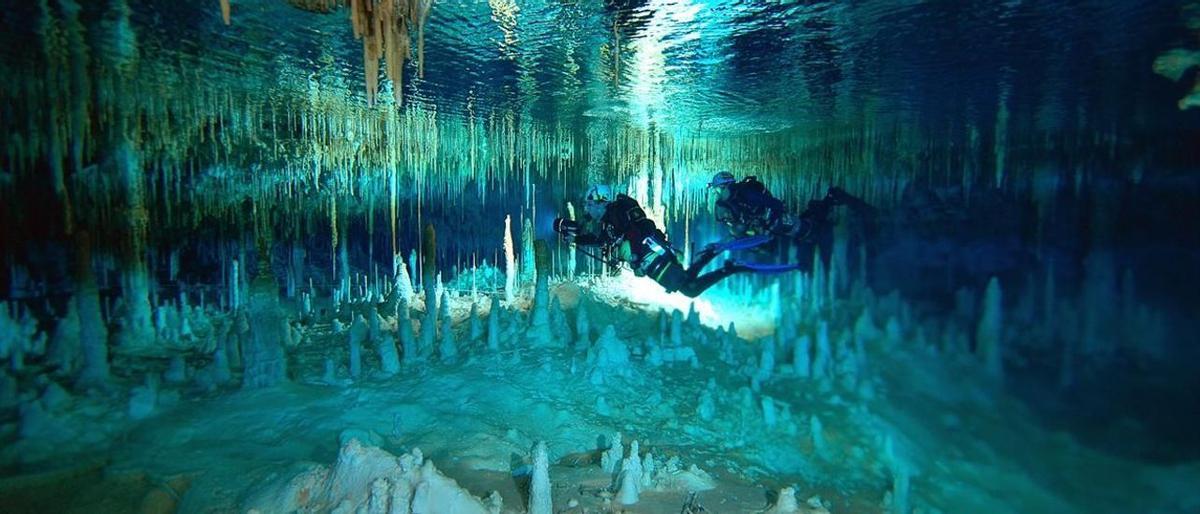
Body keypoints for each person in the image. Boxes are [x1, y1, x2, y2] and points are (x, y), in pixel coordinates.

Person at [554, 185, 749, 298]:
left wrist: (637, 259)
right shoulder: (609, 221)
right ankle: (713, 255)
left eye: (589, 205)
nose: (587, 210)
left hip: (652, 257)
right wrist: (576, 239)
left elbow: (633, 232)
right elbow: (600, 241)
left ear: (600, 201)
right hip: (652, 258)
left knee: (690, 290)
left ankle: (730, 267)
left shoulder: (615, 213)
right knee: (687, 280)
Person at [706, 171, 876, 264]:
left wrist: (774, 219)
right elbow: (739, 226)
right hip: (769, 226)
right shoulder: (734, 201)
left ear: (726, 186)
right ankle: (820, 209)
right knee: (803, 235)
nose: (716, 193)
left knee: (810, 232)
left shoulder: (746, 193)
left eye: (717, 189)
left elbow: (774, 204)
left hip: (777, 220)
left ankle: (830, 199)